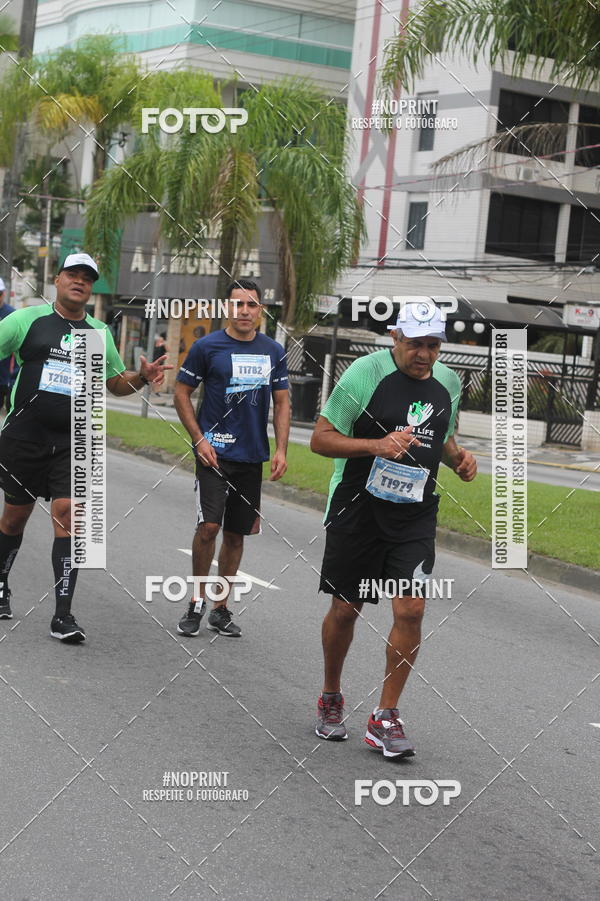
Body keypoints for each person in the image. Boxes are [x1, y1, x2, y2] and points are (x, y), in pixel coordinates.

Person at [311, 301, 477, 758]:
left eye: (433, 345)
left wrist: (457, 458)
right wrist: (376, 446)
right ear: (395, 337)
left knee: (411, 611)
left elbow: (439, 437)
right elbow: (320, 438)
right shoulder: (364, 374)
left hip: (414, 514)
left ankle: (385, 716)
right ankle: (330, 696)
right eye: (415, 343)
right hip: (358, 509)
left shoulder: (449, 382)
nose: (424, 354)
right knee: (346, 610)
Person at [0, 253, 170, 640]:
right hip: (24, 438)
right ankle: (1, 584)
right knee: (14, 518)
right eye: (72, 274)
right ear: (57, 280)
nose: (79, 281)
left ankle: (63, 615)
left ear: (91, 288)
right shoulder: (26, 320)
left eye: (87, 278)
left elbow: (115, 383)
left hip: (74, 441)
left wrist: (141, 378)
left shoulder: (99, 333)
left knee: (68, 515)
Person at [174, 278, 290, 638]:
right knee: (209, 526)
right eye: (238, 304)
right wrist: (199, 439)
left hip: (251, 456)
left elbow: (282, 401)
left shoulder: (273, 350)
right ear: (228, 307)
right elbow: (181, 392)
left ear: (260, 310)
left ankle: (220, 608)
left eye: (252, 304)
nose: (245, 311)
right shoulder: (207, 347)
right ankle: (195, 601)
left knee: (237, 535)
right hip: (215, 454)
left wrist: (282, 449)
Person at [0, 278, 18, 413]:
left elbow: (18, 350)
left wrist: (13, 381)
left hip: (3, 379)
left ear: (4, 294)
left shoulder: (12, 315)